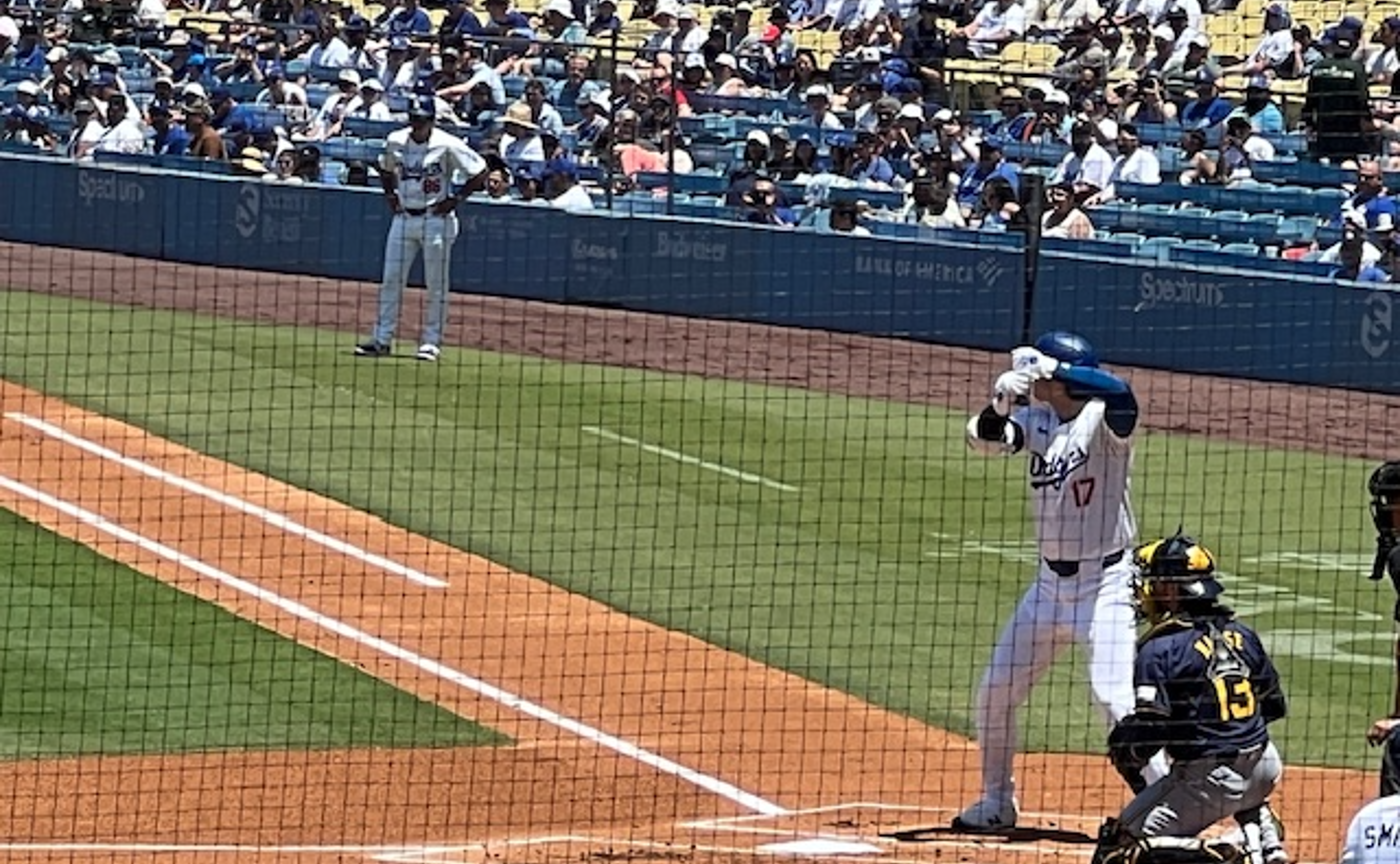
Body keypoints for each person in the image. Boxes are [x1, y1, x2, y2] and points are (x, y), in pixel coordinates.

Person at [957, 331, 1153, 831]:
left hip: (1107, 585)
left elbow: (1122, 391)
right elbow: (982, 440)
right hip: (1047, 588)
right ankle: (998, 801)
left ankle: (1164, 808)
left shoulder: (1104, 420)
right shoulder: (1036, 419)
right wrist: (1001, 402)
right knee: (994, 692)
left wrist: (1055, 371)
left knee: (1114, 699)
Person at [1092, 531, 1289, 864]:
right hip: (1265, 766)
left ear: (1170, 589)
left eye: (1154, 582)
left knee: (1121, 851)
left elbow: (1151, 731)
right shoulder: (1242, 633)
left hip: (1210, 782)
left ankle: (1229, 852)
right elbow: (1273, 705)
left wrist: (1126, 745)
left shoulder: (1160, 648)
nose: (1147, 591)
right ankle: (1261, 832)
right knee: (1231, 774)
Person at [355, 95, 487, 362]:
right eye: (414, 120)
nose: (417, 125)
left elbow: (480, 171)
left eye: (422, 120)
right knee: (391, 278)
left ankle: (430, 342)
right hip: (404, 217)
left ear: (432, 120)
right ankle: (382, 339)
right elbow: (384, 167)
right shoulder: (396, 139)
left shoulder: (447, 144)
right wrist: (390, 195)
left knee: (436, 284)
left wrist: (456, 199)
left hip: (435, 218)